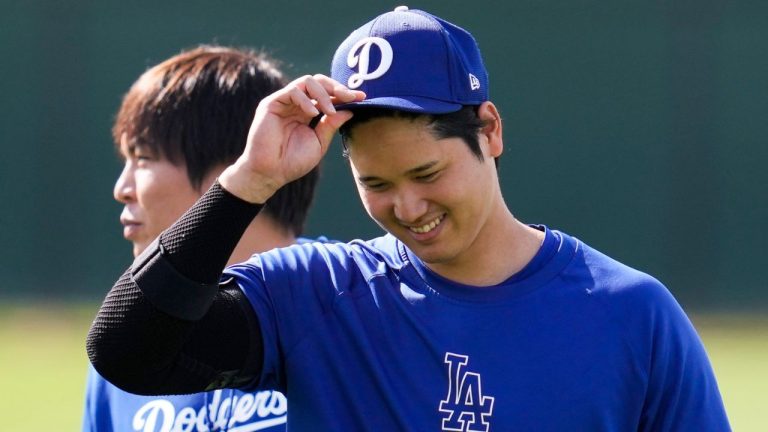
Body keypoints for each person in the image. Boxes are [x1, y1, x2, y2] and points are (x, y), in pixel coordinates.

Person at [87, 7, 731, 431]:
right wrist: (248, 181)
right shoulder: (316, 294)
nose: (408, 207)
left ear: (489, 130)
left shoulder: (632, 314)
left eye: (426, 174)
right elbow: (127, 352)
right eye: (376, 184)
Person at [82, 45, 321, 432]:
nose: (121, 189)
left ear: (247, 157)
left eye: (143, 158)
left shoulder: (348, 299)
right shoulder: (132, 339)